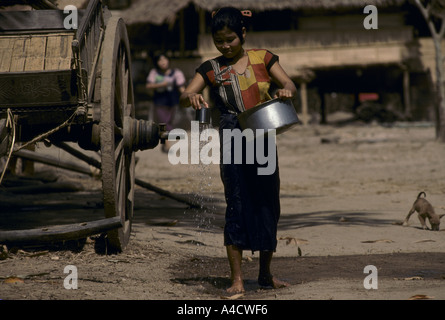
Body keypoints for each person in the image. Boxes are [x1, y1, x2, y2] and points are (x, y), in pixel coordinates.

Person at [179, 7, 297, 294]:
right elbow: (185, 95)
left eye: (230, 39)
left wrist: (286, 91)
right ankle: (238, 280)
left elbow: (289, 82)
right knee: (237, 202)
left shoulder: (264, 58)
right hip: (231, 134)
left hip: (263, 134)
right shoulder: (211, 68)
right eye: (219, 41)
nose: (225, 46)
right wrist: (193, 96)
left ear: (243, 33)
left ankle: (266, 274)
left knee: (268, 202)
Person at [146, 53, 186, 152]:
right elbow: (148, 86)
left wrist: (186, 96)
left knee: (169, 122)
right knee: (164, 123)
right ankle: (168, 146)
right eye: (160, 60)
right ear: (157, 63)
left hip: (172, 102)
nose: (163, 62)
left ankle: (164, 143)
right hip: (160, 102)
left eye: (164, 59)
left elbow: (181, 87)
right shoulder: (154, 73)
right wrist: (161, 85)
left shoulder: (176, 73)